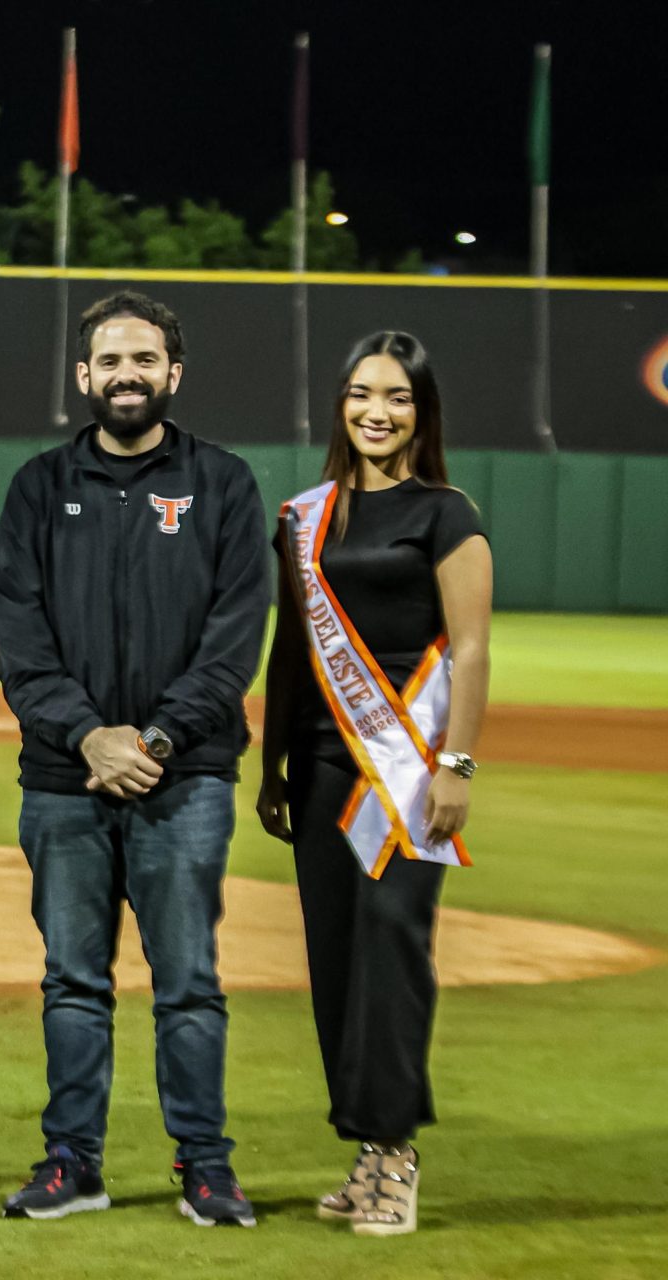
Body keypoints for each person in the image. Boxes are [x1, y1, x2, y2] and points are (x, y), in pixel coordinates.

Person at [0, 290, 271, 1228]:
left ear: (173, 373)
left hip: (183, 779)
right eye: (109, 360)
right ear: (84, 375)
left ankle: (206, 1166)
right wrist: (88, 736)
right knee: (73, 982)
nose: (127, 375)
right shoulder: (39, 486)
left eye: (144, 359)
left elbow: (234, 640)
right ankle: (73, 1162)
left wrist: (152, 740)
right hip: (65, 779)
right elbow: (21, 640)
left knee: (188, 983)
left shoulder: (222, 482)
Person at [257, 331, 491, 1237]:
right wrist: (273, 764)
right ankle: (364, 1147)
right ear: (341, 405)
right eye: (361, 394)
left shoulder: (447, 514)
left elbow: (471, 648)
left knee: (394, 951)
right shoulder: (307, 517)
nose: (376, 412)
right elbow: (291, 649)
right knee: (335, 961)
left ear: (421, 411)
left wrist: (456, 765)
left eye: (396, 396)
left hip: (410, 776)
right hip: (323, 770)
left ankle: (396, 1155)